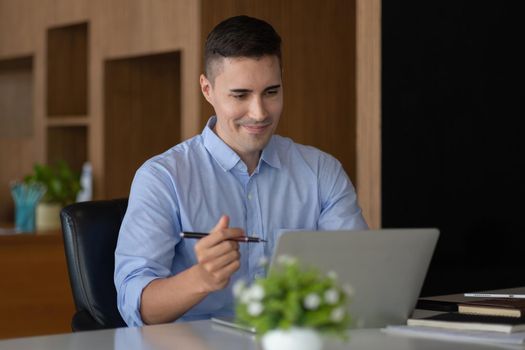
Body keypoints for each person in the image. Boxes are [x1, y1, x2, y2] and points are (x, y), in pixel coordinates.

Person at [114, 15, 368, 327]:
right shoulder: (162, 178)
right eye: (240, 95)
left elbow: (361, 279)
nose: (259, 112)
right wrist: (201, 279)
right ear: (207, 89)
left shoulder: (321, 172)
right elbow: (137, 310)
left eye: (271, 92)